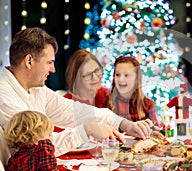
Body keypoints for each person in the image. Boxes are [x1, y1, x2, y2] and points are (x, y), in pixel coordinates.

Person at [0, 27, 152, 157]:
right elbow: (37, 147)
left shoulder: (37, 90)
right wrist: (85, 130)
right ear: (29, 61)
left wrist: (124, 124)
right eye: (49, 62)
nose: (53, 69)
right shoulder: (4, 95)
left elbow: (76, 111)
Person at [5, 111, 73, 171]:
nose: (50, 139)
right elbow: (47, 162)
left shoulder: (16, 157)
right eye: (49, 135)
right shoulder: (43, 147)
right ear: (36, 136)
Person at [108, 56, 158, 123]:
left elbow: (155, 129)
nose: (121, 79)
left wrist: (150, 127)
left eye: (126, 75)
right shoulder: (107, 102)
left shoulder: (147, 105)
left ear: (136, 79)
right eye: (117, 74)